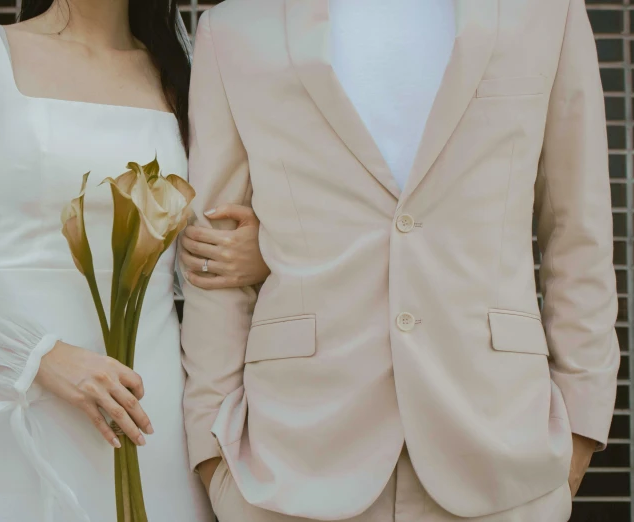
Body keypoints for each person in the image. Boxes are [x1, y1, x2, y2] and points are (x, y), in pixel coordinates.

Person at [180, 0, 620, 521]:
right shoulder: (234, 28)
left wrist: (582, 428)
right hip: (293, 462)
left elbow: (578, 230)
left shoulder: (546, 13)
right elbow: (212, 244)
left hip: (502, 450)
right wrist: (212, 447)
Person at [0, 1, 269, 521]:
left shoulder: (186, 71)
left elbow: (218, 215)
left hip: (147, 406)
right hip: (8, 396)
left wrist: (261, 252)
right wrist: (40, 357)